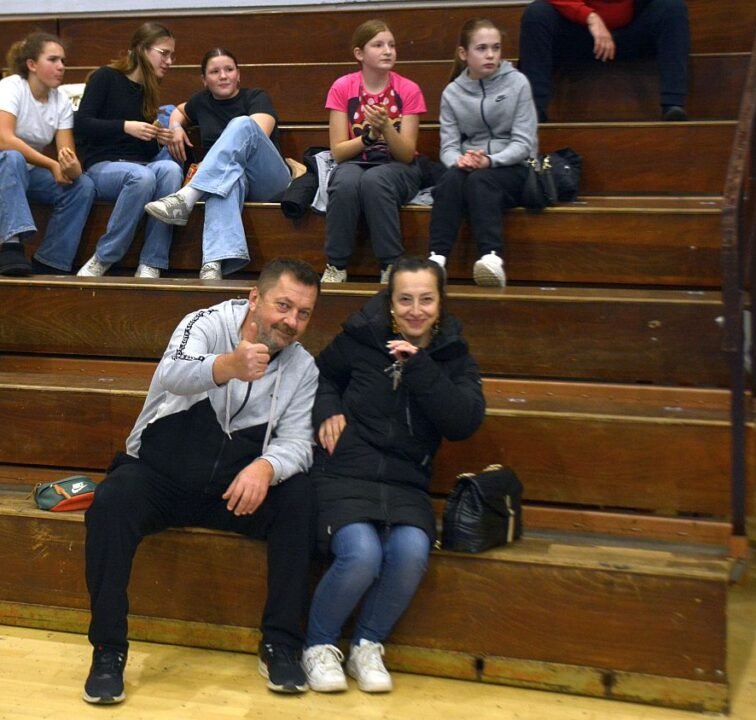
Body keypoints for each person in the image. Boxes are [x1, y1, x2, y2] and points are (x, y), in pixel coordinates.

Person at [82, 258, 321, 704]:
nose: (291, 321)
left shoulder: (303, 368)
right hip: (163, 475)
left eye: (303, 313)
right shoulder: (206, 323)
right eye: (283, 306)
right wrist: (227, 365)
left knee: (301, 498)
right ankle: (108, 650)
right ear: (255, 298)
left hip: (232, 489)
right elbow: (171, 372)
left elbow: (298, 442)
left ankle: (281, 645)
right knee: (110, 503)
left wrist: (266, 467)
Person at [300, 255, 485, 693]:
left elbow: (463, 422)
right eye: (405, 300)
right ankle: (318, 645)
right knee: (361, 553)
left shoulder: (453, 355)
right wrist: (327, 410)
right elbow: (320, 376)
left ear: (440, 303)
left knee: (411, 550)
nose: (415, 310)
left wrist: (420, 366)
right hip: (345, 472)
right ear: (390, 302)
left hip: (407, 482)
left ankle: (367, 645)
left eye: (426, 300)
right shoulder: (362, 336)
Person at [144, 48, 292, 280]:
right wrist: (176, 127)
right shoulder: (201, 102)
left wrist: (209, 164)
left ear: (238, 75)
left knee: (242, 125)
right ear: (204, 80)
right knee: (224, 182)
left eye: (229, 70)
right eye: (214, 72)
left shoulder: (256, 97)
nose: (223, 76)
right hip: (232, 179)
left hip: (269, 178)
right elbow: (179, 111)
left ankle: (187, 196)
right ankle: (213, 263)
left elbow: (255, 136)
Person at [0, 32, 94, 277]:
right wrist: (52, 165)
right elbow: (5, 140)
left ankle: (52, 260)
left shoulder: (61, 102)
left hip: (27, 174)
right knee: (12, 158)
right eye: (53, 60)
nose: (61, 66)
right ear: (32, 64)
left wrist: (71, 168)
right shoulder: (11, 86)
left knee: (83, 186)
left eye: (63, 61)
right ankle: (12, 247)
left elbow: (67, 154)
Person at [428, 18, 538, 287]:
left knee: (481, 180)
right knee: (450, 179)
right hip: (471, 164)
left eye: (496, 48)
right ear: (463, 54)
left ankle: (491, 257)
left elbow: (523, 143)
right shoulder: (452, 92)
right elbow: (448, 146)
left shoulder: (518, 83)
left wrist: (490, 160)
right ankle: (437, 259)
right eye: (482, 48)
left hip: (514, 167)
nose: (490, 55)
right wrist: (460, 161)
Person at [73, 22, 183, 279]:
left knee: (170, 169)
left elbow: (143, 151)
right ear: (142, 49)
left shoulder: (148, 90)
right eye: (164, 53)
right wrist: (125, 126)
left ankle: (151, 261)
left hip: (137, 164)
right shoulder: (105, 77)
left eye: (172, 55)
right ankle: (104, 256)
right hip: (102, 165)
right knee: (142, 177)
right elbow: (82, 123)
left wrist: (157, 138)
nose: (169, 61)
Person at [321, 19, 426, 285]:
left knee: (375, 180)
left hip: (398, 167)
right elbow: (338, 151)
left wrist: (387, 128)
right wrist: (369, 137)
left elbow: (406, 154)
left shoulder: (409, 89)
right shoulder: (342, 87)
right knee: (345, 182)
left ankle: (391, 265)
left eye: (392, 45)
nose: (388, 51)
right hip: (354, 161)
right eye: (378, 45)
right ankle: (336, 265)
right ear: (359, 53)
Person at [518, 0, 691, 122]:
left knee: (672, 7)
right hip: (580, 35)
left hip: (632, 34)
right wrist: (590, 17)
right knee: (537, 13)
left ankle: (673, 105)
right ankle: (534, 111)